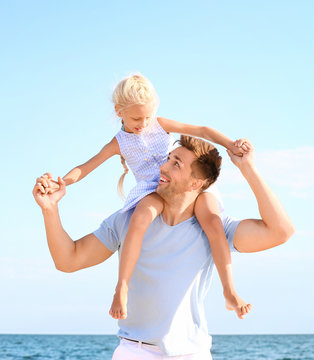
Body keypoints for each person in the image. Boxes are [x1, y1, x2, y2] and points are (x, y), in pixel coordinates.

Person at [33, 136, 294, 359]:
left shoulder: (215, 228)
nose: (163, 167)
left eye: (176, 164)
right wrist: (50, 210)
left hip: (192, 352)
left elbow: (281, 231)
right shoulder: (128, 219)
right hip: (134, 352)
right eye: (169, 158)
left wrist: (248, 168)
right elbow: (69, 260)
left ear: (196, 183)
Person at [36, 74, 251, 320]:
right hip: (153, 187)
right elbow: (87, 166)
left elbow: (201, 130)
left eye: (147, 116)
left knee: (213, 221)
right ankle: (122, 286)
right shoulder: (118, 143)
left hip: (180, 180)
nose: (143, 123)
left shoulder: (159, 124)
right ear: (119, 112)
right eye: (137, 118)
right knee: (139, 219)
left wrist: (230, 144)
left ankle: (230, 290)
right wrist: (61, 181)